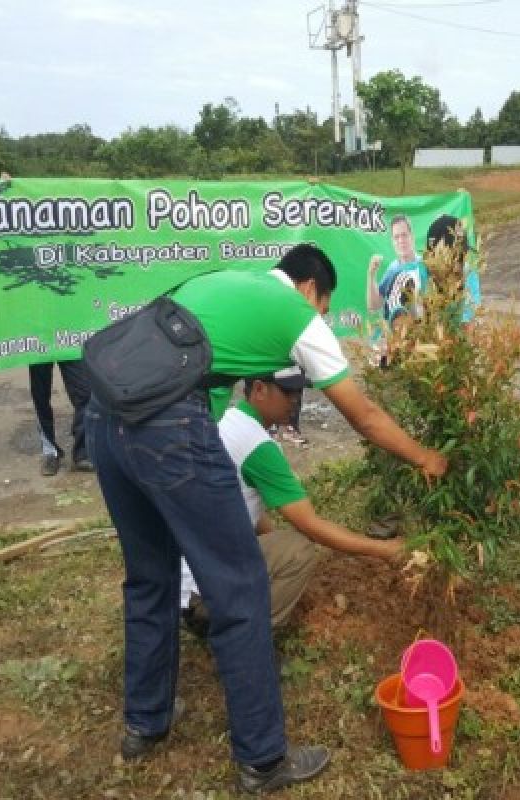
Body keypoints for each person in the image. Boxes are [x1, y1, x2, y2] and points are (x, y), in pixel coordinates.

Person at [86, 244, 447, 792]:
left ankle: (146, 722)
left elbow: (191, 385)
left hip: (104, 419)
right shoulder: (296, 314)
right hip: (166, 428)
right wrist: (426, 457)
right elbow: (363, 415)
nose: (321, 318)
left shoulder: (217, 283)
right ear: (310, 289)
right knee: (241, 588)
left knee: (149, 576)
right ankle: (262, 758)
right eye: (324, 306)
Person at [179, 366, 404, 637]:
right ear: (260, 389)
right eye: (288, 392)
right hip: (202, 598)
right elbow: (311, 525)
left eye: (299, 392)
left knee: (280, 545)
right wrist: (385, 549)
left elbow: (245, 505)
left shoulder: (228, 422)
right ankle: (247, 636)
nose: (296, 400)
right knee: (298, 548)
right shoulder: (258, 447)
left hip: (184, 582)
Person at [28, 360, 91, 475]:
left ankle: (82, 452)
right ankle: (50, 452)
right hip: (40, 346)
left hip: (67, 344)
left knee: (84, 393)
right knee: (40, 395)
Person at [367, 215, 424, 331]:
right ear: (392, 241)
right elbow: (374, 306)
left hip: (424, 337)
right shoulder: (392, 270)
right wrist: (371, 275)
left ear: (412, 236)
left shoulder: (425, 265)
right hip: (397, 339)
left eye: (404, 235)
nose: (401, 241)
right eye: (396, 237)